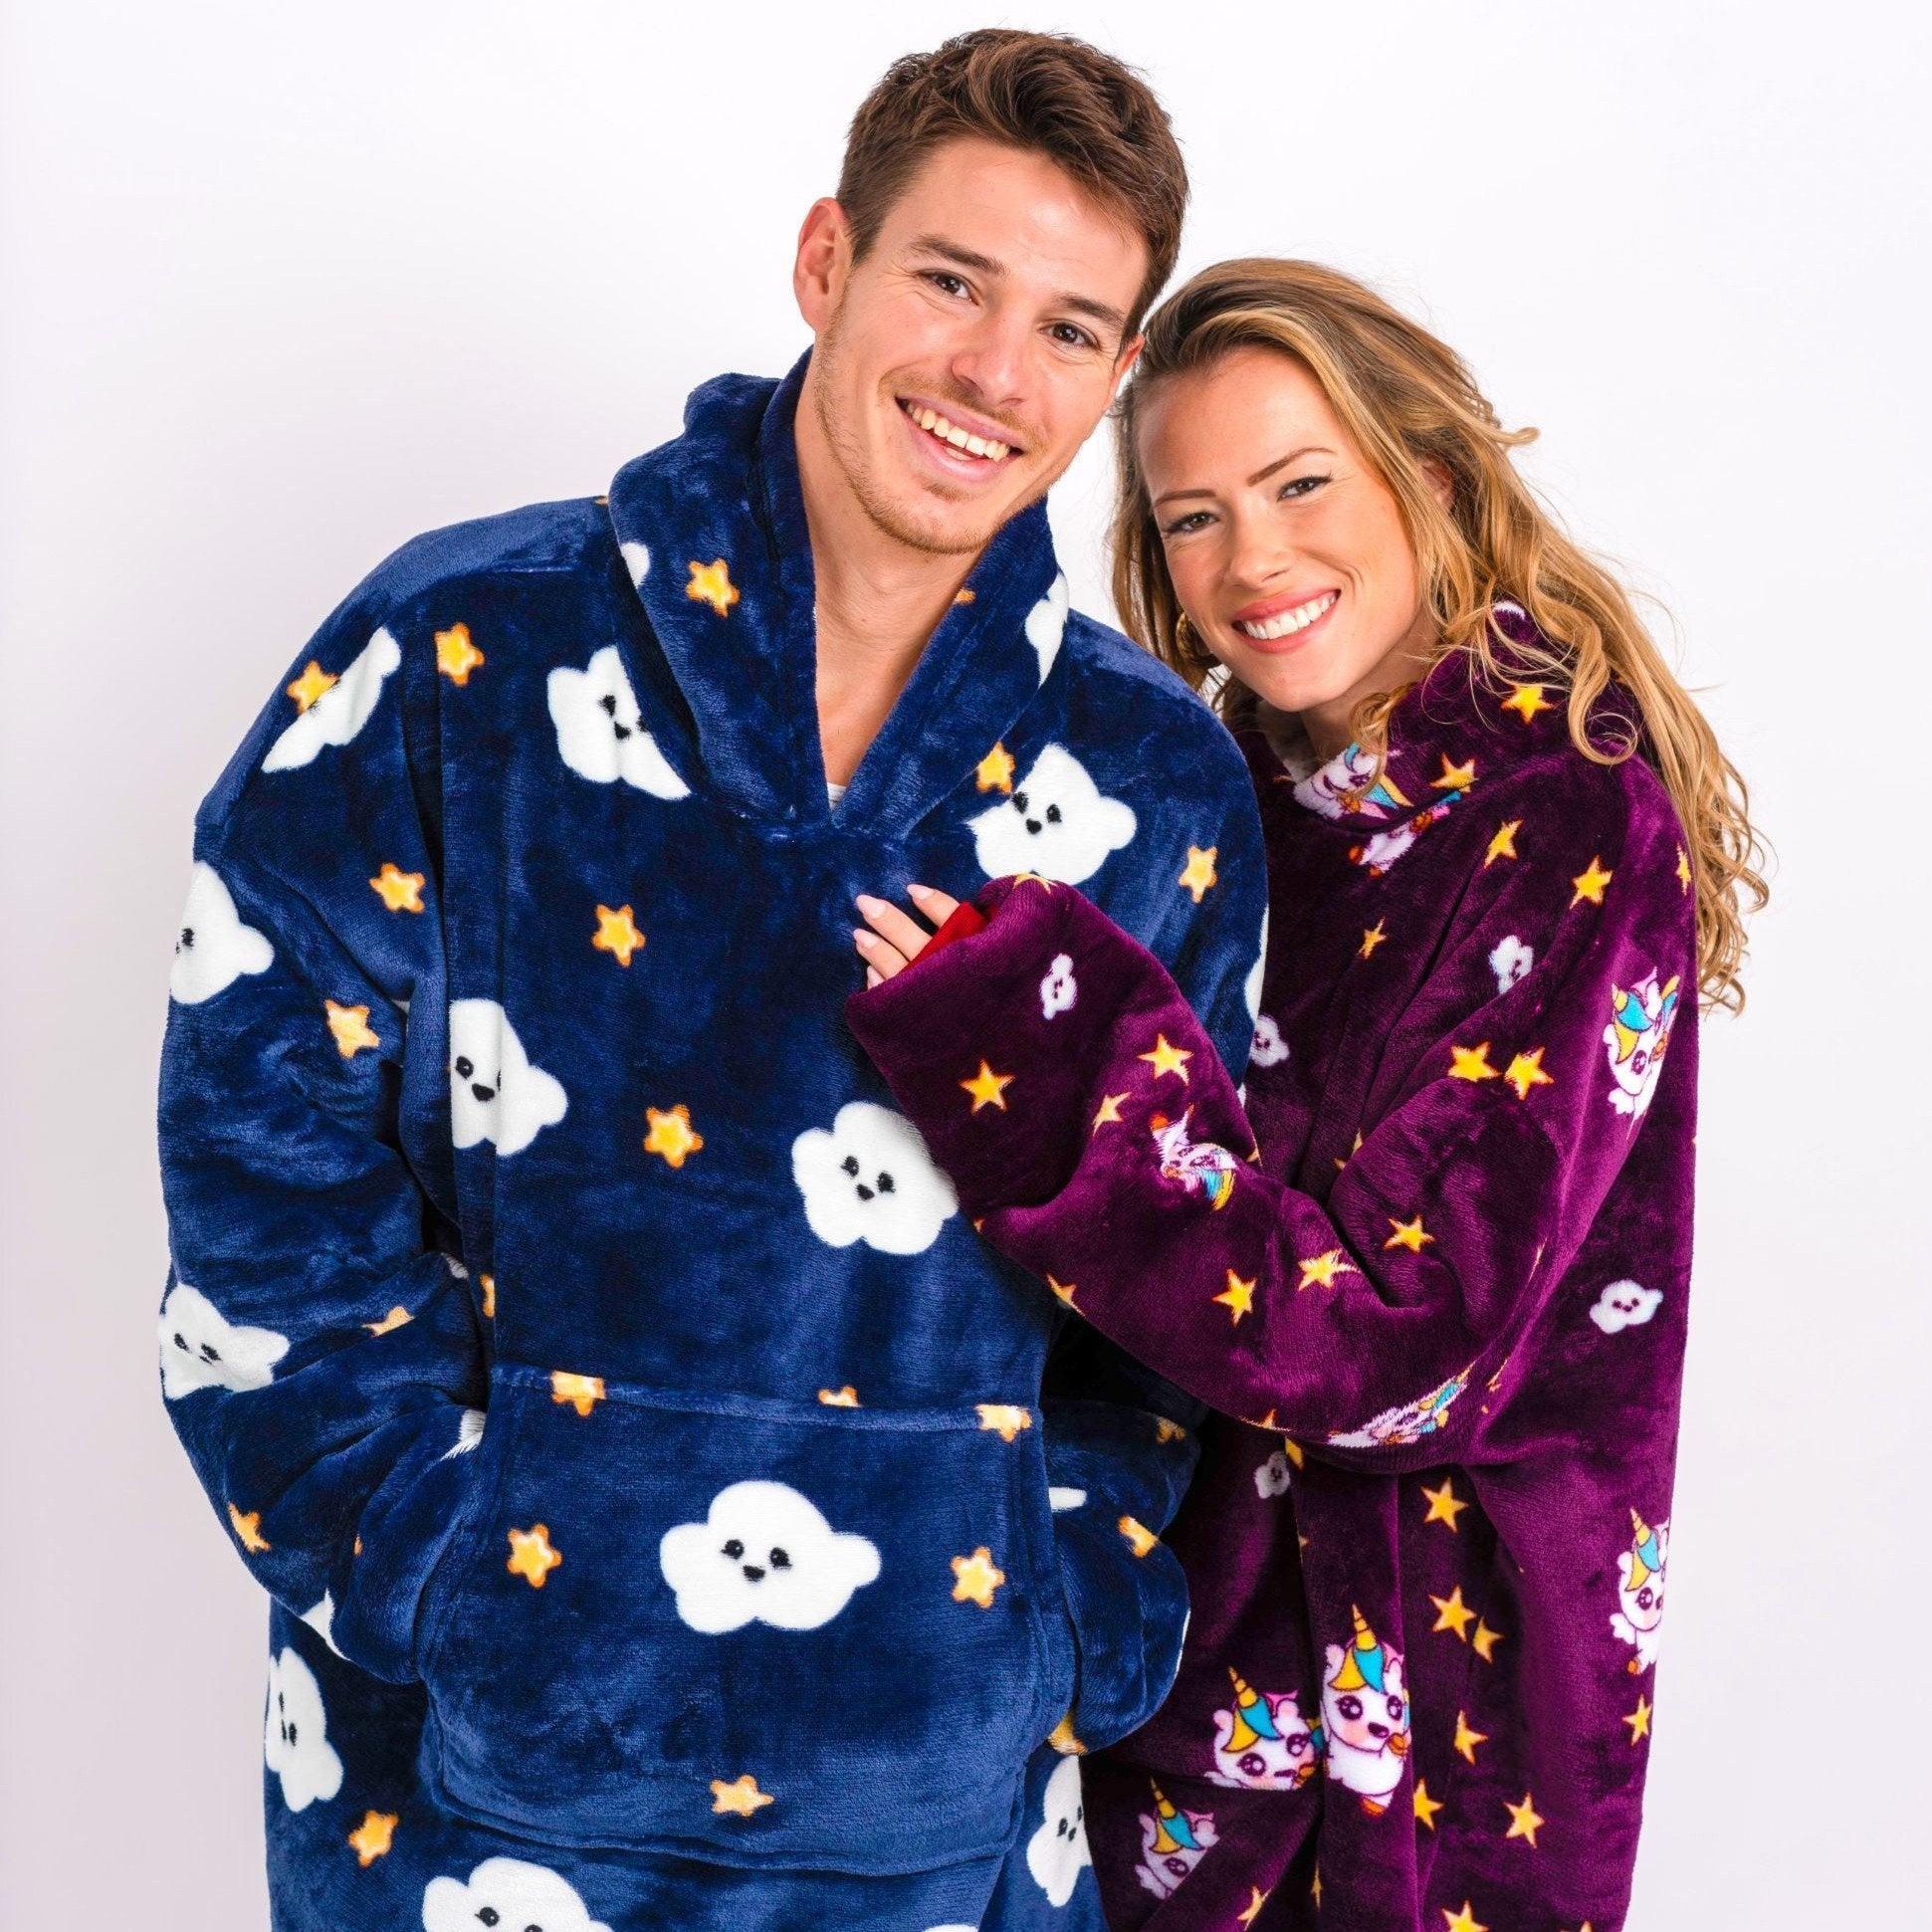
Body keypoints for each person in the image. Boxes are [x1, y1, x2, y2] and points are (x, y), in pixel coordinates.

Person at [154, 34, 1269, 1931]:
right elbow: (263, 1152)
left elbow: (1179, 1263)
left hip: (941, 1806)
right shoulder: (459, 647)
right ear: (826, 259)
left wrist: (1063, 1610)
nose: (995, 374)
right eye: (951, 282)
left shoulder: (1152, 780)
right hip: (461, 1800)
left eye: (1070, 328)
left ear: (1114, 371)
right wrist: (430, 1566)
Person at [849, 259, 1766, 1930]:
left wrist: (1030, 1054)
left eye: (1296, 485)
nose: (1251, 561)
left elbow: (1398, 1343)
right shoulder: (1215, 800)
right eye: (1192, 517)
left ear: (1429, 478)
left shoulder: (1564, 816)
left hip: (1430, 1712)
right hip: (1165, 1654)